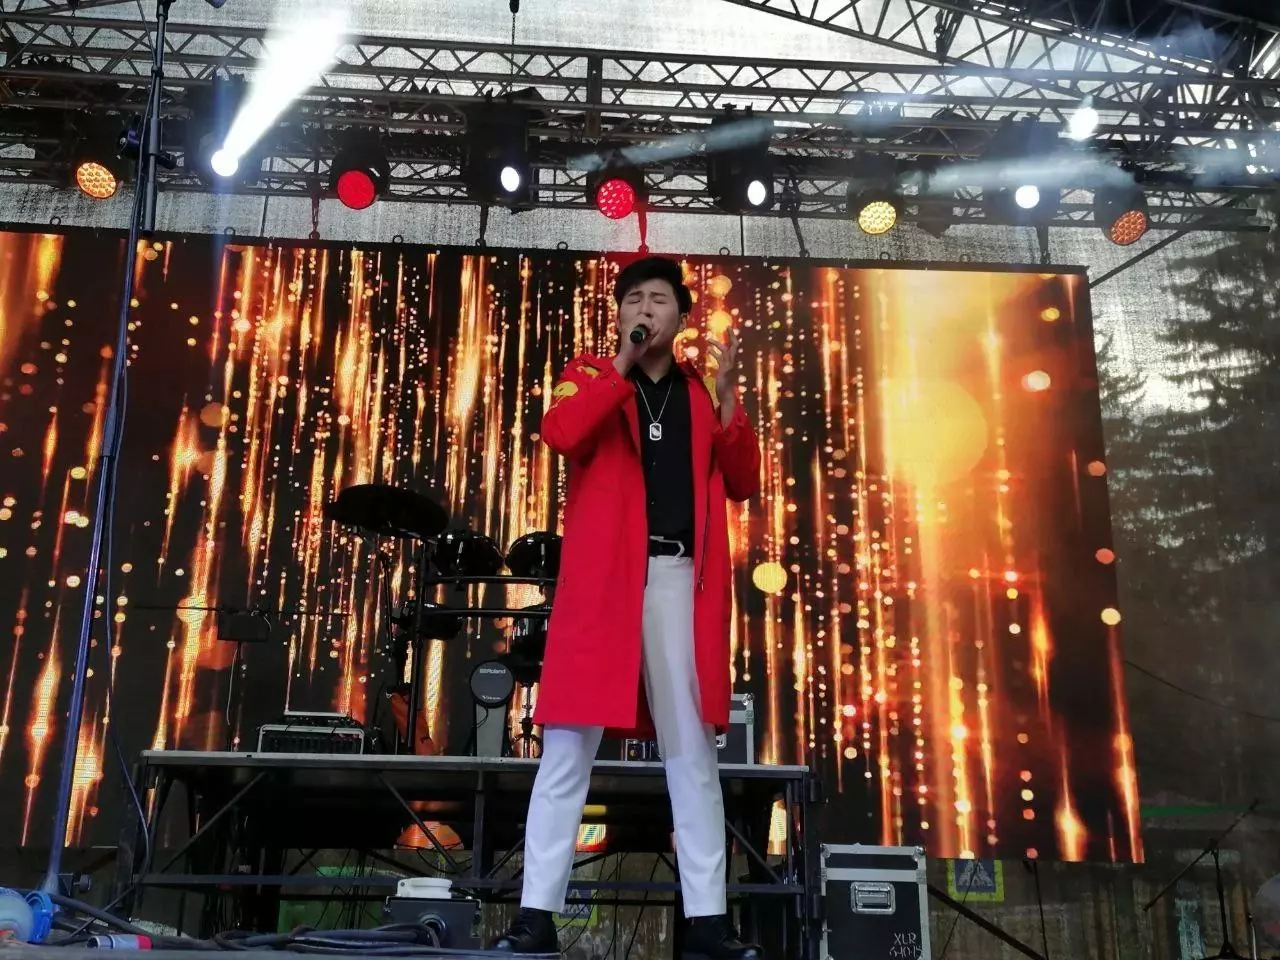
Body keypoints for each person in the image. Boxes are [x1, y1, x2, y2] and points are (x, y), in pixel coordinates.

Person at [490, 256, 763, 959]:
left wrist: (729, 400)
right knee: (566, 749)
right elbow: (562, 433)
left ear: (682, 316)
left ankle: (708, 923)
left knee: (691, 753)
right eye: (633, 299)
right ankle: (535, 917)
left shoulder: (700, 391)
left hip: (678, 580)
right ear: (618, 316)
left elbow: (742, 481)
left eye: (659, 299)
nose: (644, 308)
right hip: (603, 583)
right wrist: (620, 366)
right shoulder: (588, 375)